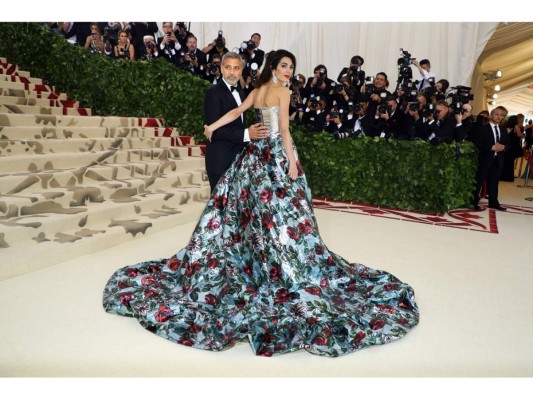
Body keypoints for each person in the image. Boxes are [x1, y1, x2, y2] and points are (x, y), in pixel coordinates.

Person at [102, 49, 419, 357]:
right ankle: (274, 260)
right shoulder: (282, 93)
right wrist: (292, 162)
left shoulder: (255, 90)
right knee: (280, 213)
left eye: (291, 67)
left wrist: (212, 126)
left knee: (261, 212)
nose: (288, 72)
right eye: (284, 66)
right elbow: (283, 129)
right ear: (273, 66)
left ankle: (262, 254)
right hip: (273, 156)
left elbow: (236, 114)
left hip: (254, 157)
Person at [203, 52, 269, 191]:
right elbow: (216, 131)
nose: (232, 72)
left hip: (237, 160)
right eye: (228, 67)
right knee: (219, 208)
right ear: (221, 68)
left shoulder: (241, 92)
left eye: (236, 68)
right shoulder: (213, 93)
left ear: (242, 69)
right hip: (220, 160)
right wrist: (246, 133)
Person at [472, 106, 509, 211]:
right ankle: (474, 202)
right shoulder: (483, 128)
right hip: (484, 158)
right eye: (497, 114)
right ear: (491, 115)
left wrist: (504, 147)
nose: (499, 117)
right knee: (479, 181)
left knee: (494, 182)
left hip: (498, 160)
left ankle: (494, 203)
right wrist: (490, 147)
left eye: (502, 115)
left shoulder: (503, 130)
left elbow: (508, 144)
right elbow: (476, 143)